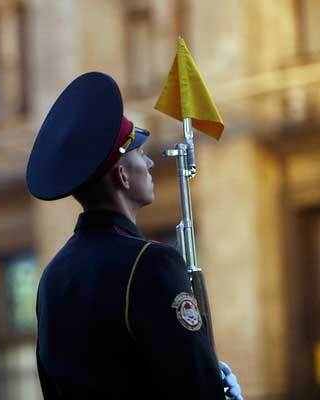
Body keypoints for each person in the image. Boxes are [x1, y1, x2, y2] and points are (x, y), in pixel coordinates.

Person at [26, 72, 243, 399]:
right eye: (140, 154)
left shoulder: (53, 276)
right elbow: (195, 386)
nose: (150, 162)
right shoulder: (152, 263)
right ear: (123, 176)